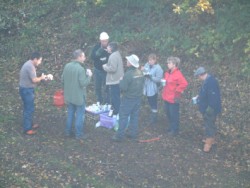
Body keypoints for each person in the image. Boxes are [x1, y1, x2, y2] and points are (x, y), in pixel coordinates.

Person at [112, 54, 145, 142]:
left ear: (130, 63)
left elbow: (123, 87)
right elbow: (142, 84)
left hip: (128, 99)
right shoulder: (140, 72)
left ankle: (119, 136)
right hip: (137, 98)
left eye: (128, 61)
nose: (126, 61)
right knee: (134, 116)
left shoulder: (128, 74)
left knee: (123, 116)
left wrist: (121, 80)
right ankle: (132, 133)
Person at [62, 49, 92, 140]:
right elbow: (83, 83)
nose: (85, 58)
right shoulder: (80, 69)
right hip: (78, 97)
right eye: (83, 56)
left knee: (70, 113)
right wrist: (89, 76)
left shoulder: (67, 66)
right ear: (79, 57)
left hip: (69, 96)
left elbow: (62, 80)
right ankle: (79, 134)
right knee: (80, 115)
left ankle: (68, 132)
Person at [194, 67, 221, 152]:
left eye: (198, 76)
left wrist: (210, 108)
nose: (198, 78)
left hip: (210, 109)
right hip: (205, 107)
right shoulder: (207, 81)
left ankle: (208, 144)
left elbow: (214, 97)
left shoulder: (211, 82)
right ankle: (210, 139)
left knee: (209, 125)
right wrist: (199, 97)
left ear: (201, 75)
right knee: (207, 123)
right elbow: (205, 93)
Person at [162, 56, 188, 136]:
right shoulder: (167, 73)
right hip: (166, 96)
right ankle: (171, 126)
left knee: (174, 115)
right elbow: (166, 82)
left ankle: (175, 130)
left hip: (173, 98)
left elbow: (184, 83)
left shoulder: (178, 74)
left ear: (174, 64)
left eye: (169, 63)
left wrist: (177, 90)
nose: (167, 64)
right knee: (168, 113)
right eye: (167, 63)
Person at [103, 42, 124, 116]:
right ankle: (117, 111)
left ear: (111, 48)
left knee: (115, 97)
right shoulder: (116, 54)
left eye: (108, 47)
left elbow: (113, 69)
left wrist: (105, 66)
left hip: (114, 80)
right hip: (117, 79)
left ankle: (116, 113)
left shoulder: (113, 56)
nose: (107, 48)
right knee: (116, 96)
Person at [141, 53, 163, 124]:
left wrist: (150, 77)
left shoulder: (158, 68)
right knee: (150, 101)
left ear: (155, 60)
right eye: (149, 60)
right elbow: (144, 72)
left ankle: (154, 118)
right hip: (146, 87)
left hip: (153, 88)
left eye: (151, 60)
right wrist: (143, 70)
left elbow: (159, 79)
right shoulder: (147, 65)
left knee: (153, 102)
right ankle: (152, 114)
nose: (150, 61)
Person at [91, 32, 110, 104]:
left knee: (106, 87)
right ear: (100, 40)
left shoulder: (110, 47)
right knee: (97, 86)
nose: (104, 42)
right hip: (97, 70)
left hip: (106, 71)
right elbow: (92, 57)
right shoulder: (96, 47)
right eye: (103, 41)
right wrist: (99, 52)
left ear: (108, 40)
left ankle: (107, 102)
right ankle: (99, 100)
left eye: (105, 41)